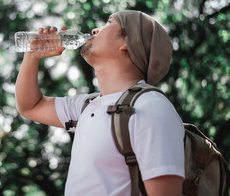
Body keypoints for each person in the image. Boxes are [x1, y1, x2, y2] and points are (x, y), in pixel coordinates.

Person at [15, 10, 184, 196]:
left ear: (128, 42)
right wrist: (32, 55)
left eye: (109, 23)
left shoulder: (150, 107)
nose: (95, 30)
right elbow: (30, 106)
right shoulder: (87, 105)